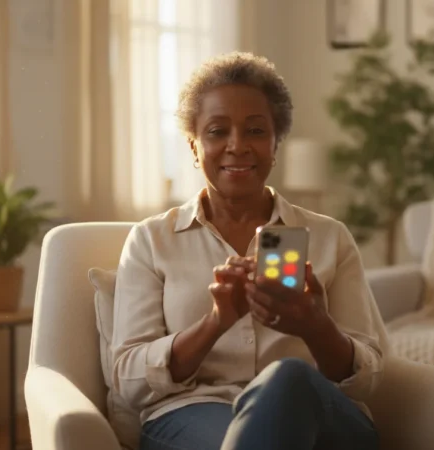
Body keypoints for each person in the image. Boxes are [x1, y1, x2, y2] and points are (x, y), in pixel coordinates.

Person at [111, 51, 388, 450]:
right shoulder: (152, 240)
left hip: (318, 413)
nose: (237, 146)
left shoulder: (330, 237)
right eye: (217, 131)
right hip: (194, 411)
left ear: (276, 145)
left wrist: (315, 325)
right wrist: (216, 322)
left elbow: (371, 377)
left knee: (287, 378)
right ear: (193, 146)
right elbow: (128, 379)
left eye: (256, 131)